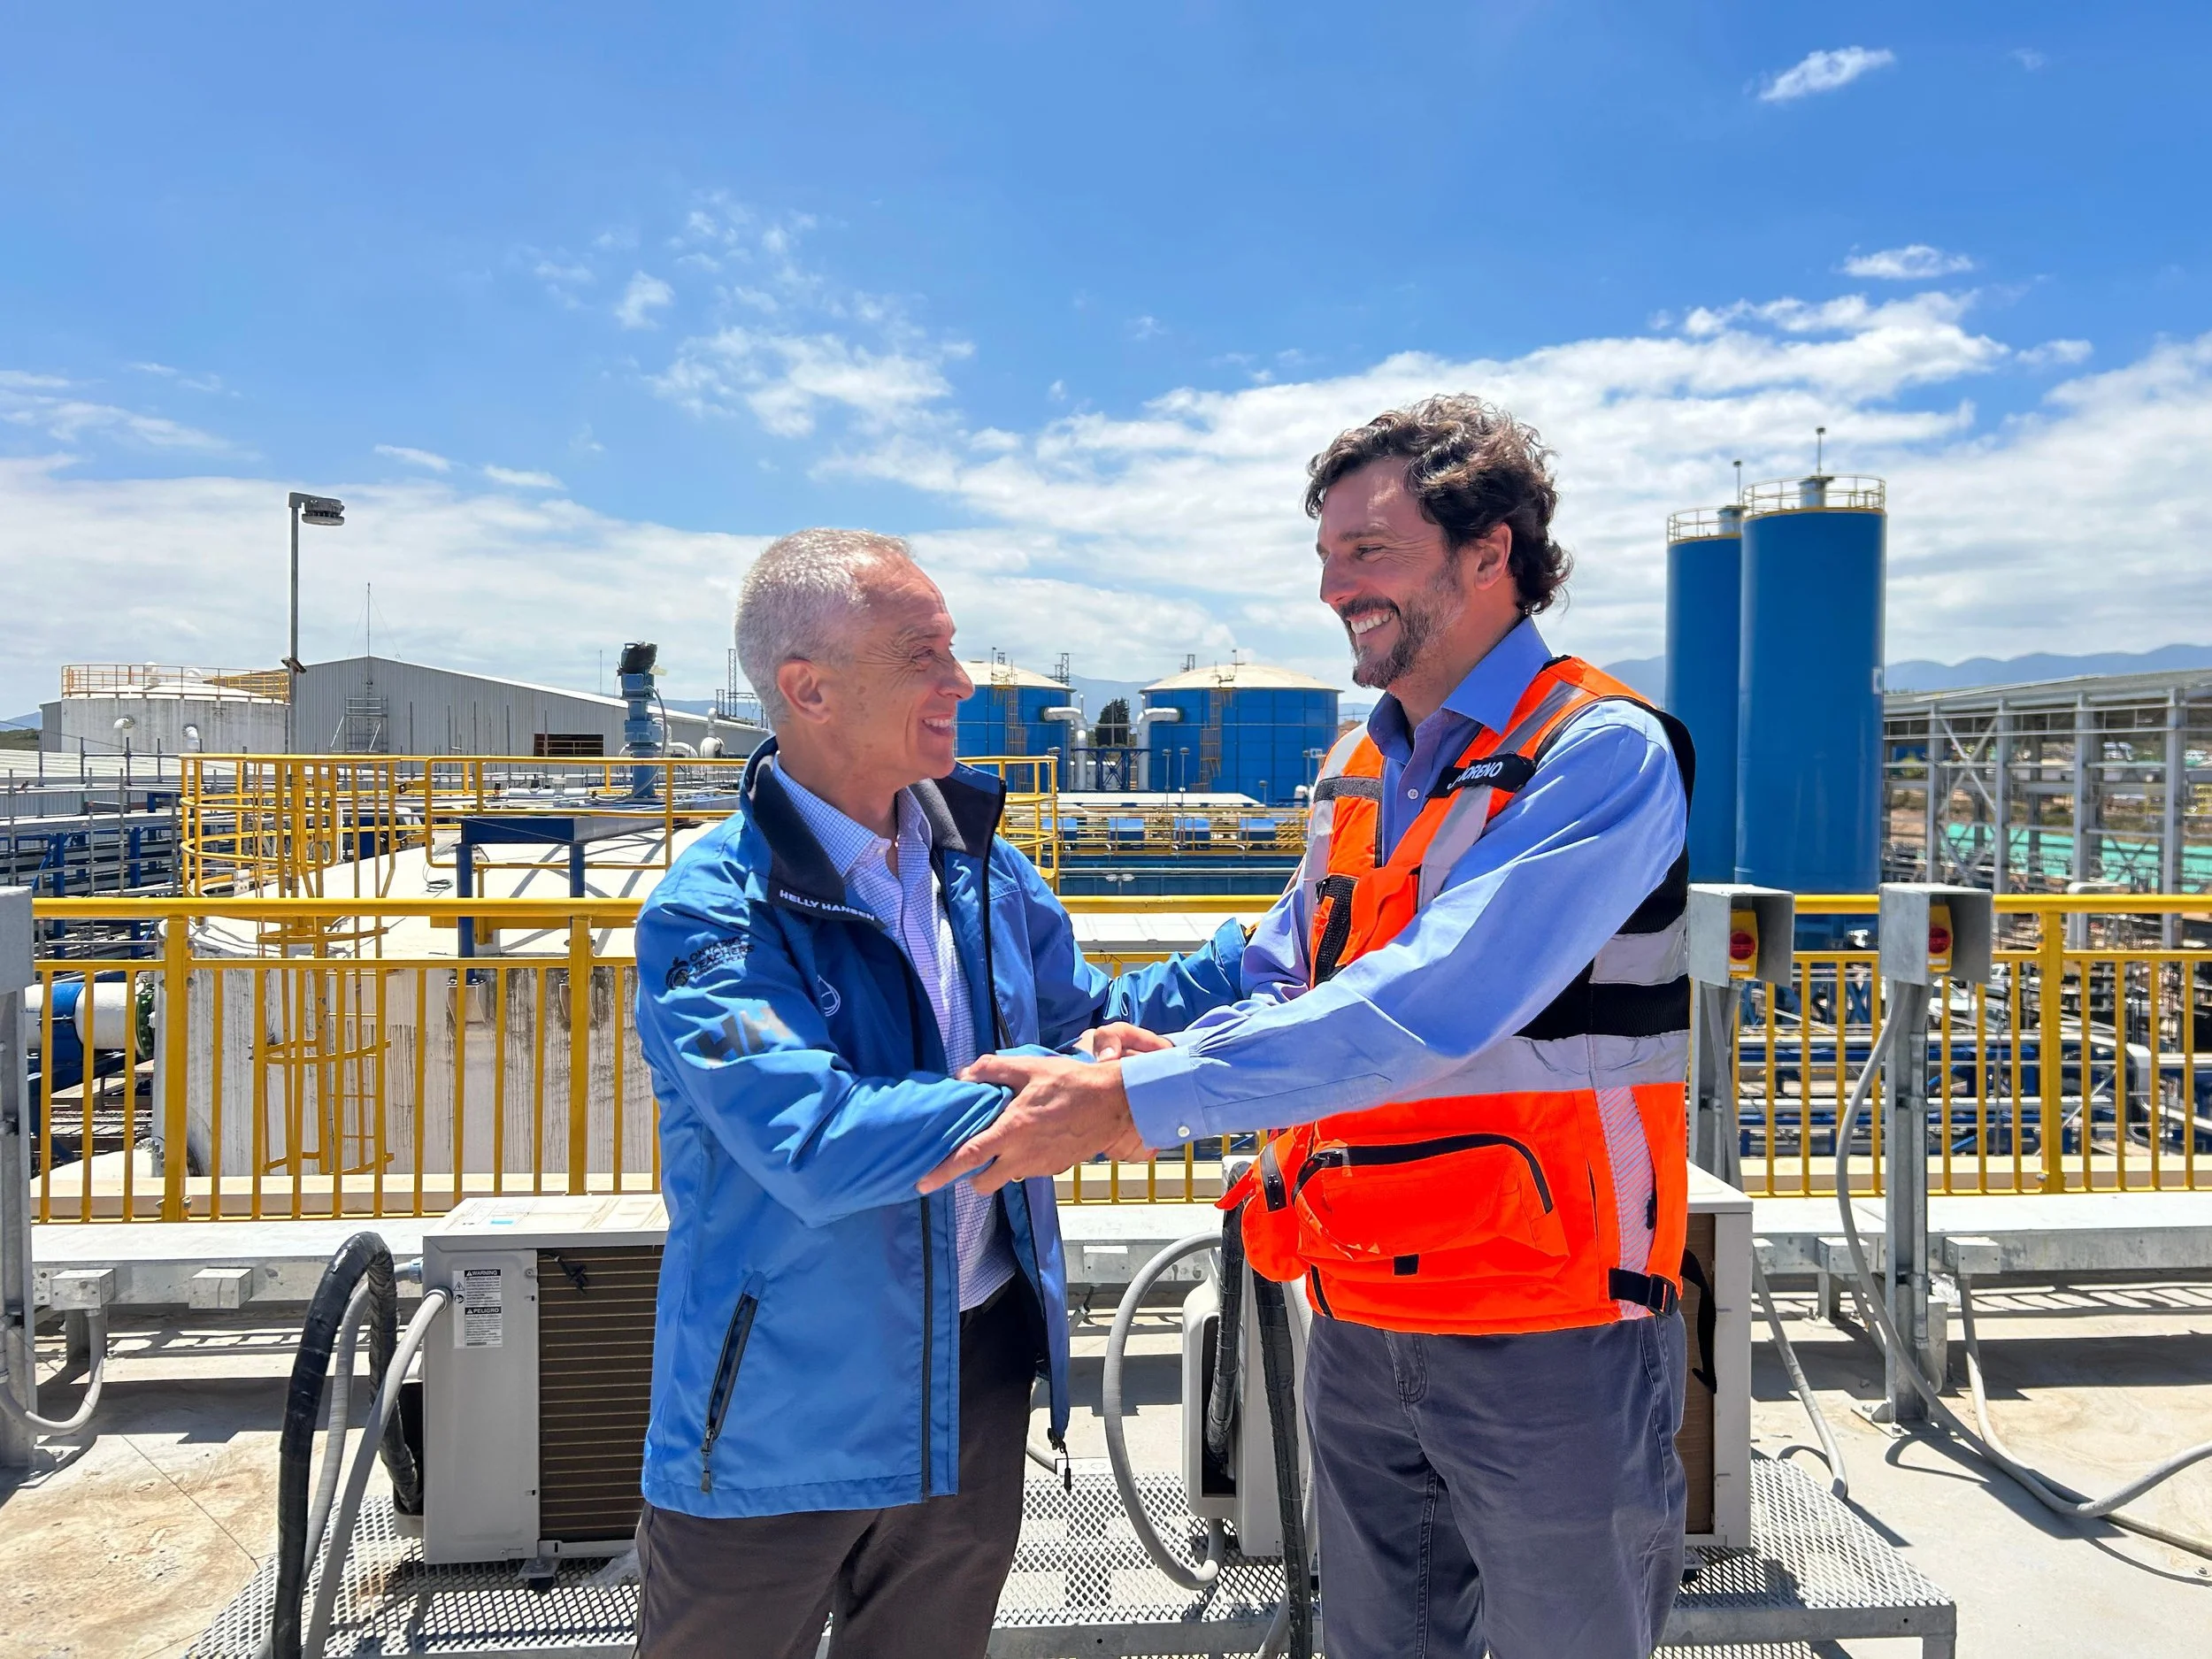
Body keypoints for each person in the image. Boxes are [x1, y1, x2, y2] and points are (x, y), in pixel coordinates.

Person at [925, 397, 1696, 1659]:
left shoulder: (1597, 753)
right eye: (1329, 553)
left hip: (1546, 1321)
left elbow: (1429, 998)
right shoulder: (1359, 764)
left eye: (1371, 550)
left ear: (1489, 551)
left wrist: (1138, 1104)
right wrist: (1139, 1040)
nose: (1336, 585)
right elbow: (1284, 959)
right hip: (1358, 1303)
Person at [630, 527, 1245, 1659]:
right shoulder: (710, 913)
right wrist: (1061, 1104)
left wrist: (1263, 956)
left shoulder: (978, 864)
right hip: (782, 1406)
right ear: (808, 688)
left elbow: (1080, 1009)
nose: (961, 683)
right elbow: (806, 1138)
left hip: (973, 1379)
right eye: (925, 654)